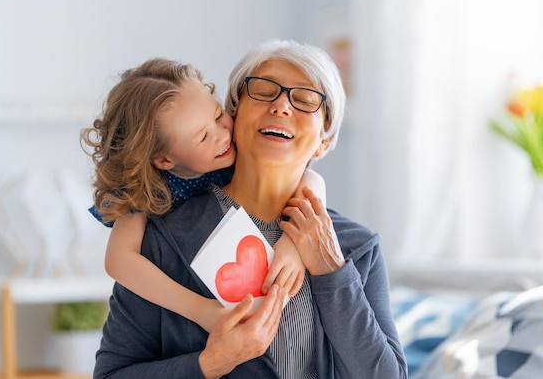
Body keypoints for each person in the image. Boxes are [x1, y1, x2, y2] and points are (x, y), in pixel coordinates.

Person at [94, 40, 408, 378]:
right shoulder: (162, 240)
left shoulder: (356, 250)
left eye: (305, 99)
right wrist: (209, 364)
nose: (282, 106)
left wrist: (330, 269)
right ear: (234, 110)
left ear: (325, 140)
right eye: (263, 90)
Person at [80, 58, 325, 332]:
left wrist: (295, 244)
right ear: (164, 160)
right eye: (203, 137)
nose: (222, 134)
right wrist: (199, 310)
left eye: (219, 115)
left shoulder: (232, 152)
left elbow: (312, 179)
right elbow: (118, 261)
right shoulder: (143, 188)